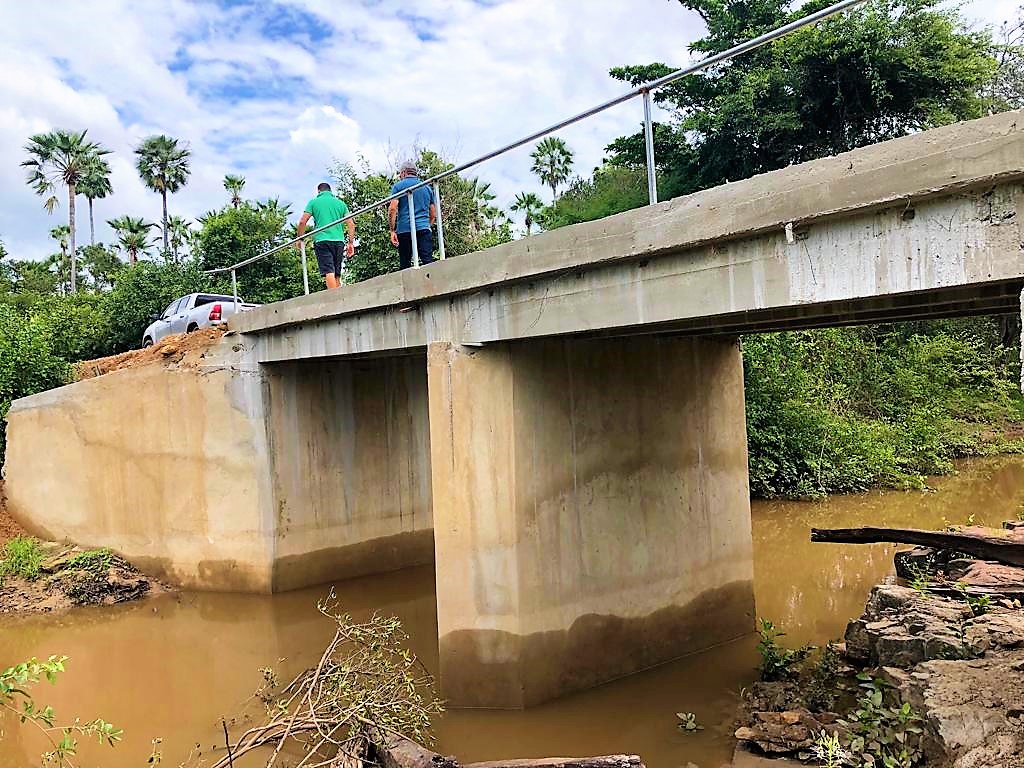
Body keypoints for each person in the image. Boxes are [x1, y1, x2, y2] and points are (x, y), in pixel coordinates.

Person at [297, 182, 355, 289]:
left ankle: (333, 300)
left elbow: (302, 222)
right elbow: (351, 224)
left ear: (318, 191)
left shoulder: (314, 202)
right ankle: (339, 298)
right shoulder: (340, 203)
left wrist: (300, 238)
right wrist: (351, 243)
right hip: (339, 241)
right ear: (330, 191)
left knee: (329, 271)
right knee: (337, 273)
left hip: (322, 240)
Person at [388, 161, 436, 269]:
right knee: (428, 262)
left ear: (404, 173)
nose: (400, 176)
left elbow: (392, 208)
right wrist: (426, 225)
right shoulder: (427, 187)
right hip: (424, 228)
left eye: (400, 174)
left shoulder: (398, 186)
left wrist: (392, 230)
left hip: (405, 229)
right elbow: (433, 213)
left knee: (405, 264)